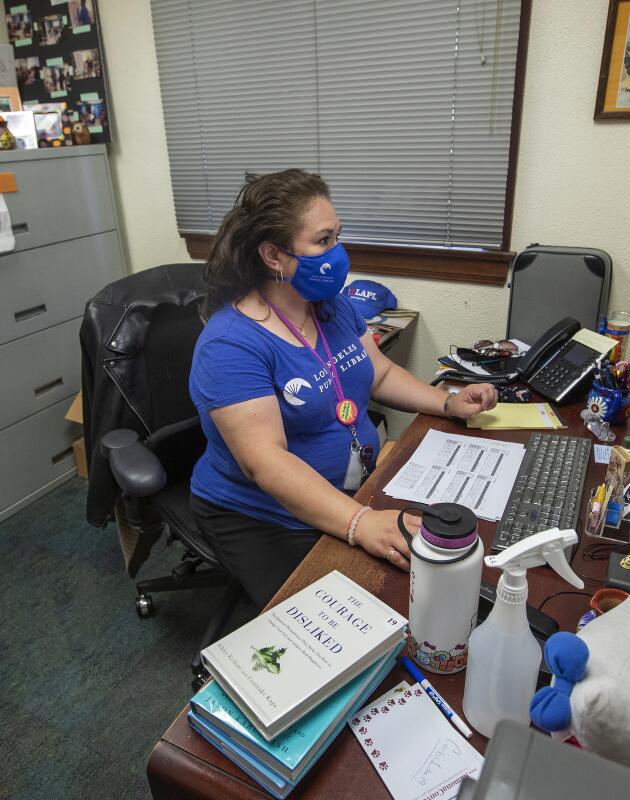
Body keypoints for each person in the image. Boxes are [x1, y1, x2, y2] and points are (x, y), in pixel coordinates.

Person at [188, 169, 497, 606]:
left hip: (352, 491)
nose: (338, 252)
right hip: (264, 516)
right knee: (371, 610)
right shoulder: (229, 345)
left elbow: (381, 373)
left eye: (338, 236)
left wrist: (448, 402)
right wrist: (360, 523)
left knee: (455, 556)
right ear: (274, 256)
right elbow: (267, 463)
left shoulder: (330, 307)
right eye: (323, 240)